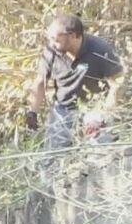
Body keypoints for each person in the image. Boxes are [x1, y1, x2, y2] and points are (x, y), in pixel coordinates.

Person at [27, 14, 124, 149]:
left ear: (73, 36)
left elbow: (117, 84)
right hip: (63, 108)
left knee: (100, 151)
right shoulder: (51, 51)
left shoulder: (99, 50)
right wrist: (32, 112)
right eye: (50, 39)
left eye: (56, 39)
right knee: (51, 157)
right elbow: (40, 83)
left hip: (94, 107)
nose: (52, 43)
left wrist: (103, 115)